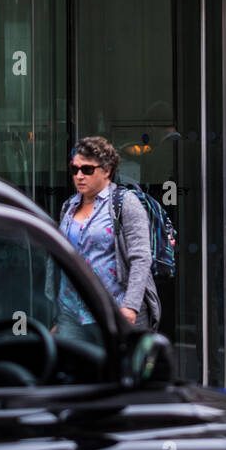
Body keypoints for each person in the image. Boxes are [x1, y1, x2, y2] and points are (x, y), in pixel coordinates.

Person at [50, 135, 160, 338]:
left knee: (112, 369)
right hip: (71, 312)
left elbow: (141, 257)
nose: (79, 176)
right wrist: (54, 312)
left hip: (113, 310)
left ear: (106, 170)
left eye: (87, 169)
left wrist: (131, 306)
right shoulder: (68, 206)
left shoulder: (125, 203)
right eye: (74, 169)